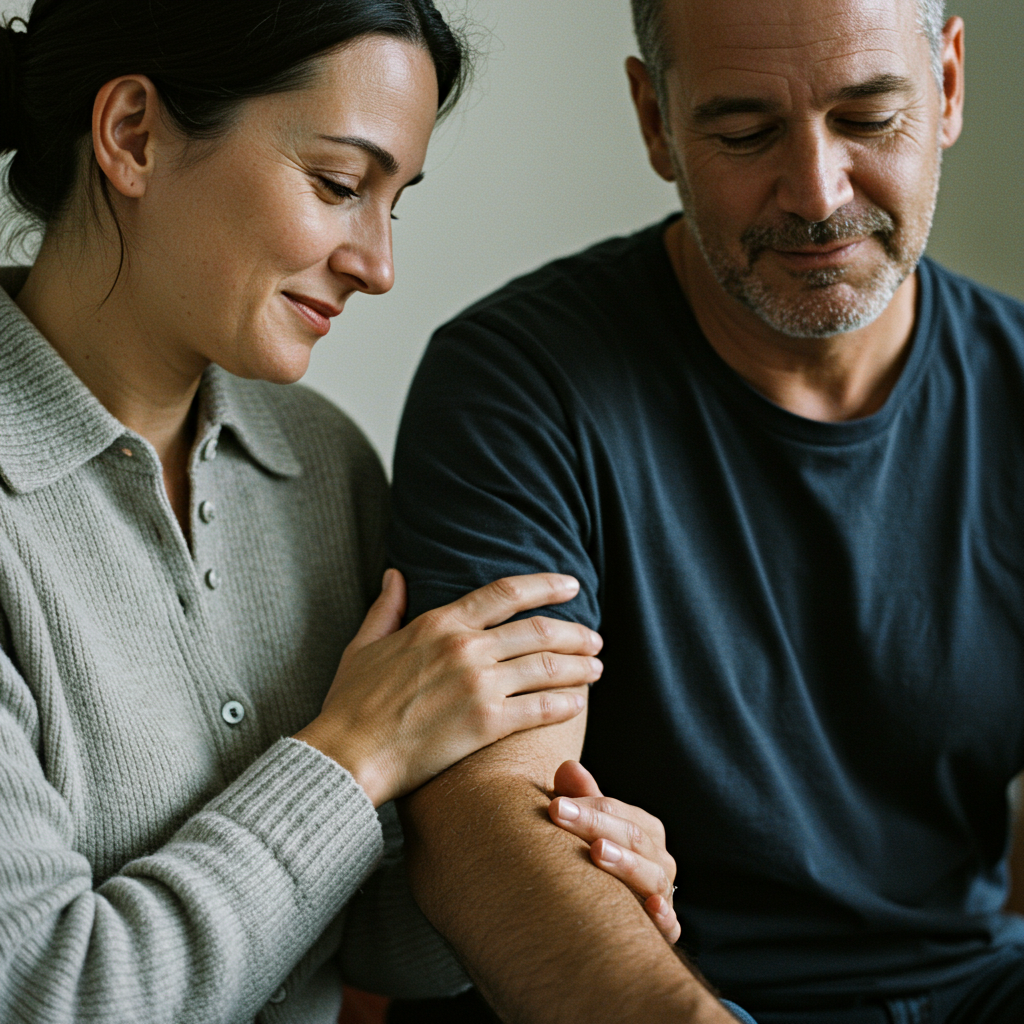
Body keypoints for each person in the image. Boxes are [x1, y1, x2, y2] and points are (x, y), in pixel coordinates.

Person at [0, 1, 683, 1021]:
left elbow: (373, 935)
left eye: (392, 202)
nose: (378, 264)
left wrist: (572, 871)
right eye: (338, 185)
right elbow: (49, 992)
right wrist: (353, 751)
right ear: (132, 134)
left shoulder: (324, 466)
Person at [388, 0, 1024, 1021]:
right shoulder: (519, 386)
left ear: (947, 84)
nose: (817, 193)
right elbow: (483, 824)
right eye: (744, 132)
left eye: (867, 118)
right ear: (654, 120)